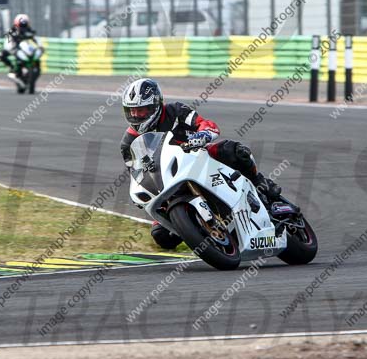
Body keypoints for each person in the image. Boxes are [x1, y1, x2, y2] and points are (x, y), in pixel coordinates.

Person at [120, 78, 282, 249]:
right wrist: (141, 194)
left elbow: (205, 124)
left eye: (141, 110)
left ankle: (261, 184)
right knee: (161, 235)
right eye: (132, 111)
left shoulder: (175, 111)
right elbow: (137, 173)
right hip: (166, 181)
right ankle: (198, 230)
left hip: (197, 157)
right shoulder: (128, 142)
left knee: (235, 151)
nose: (136, 116)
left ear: (155, 105)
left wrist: (202, 134)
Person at [0, 13, 37, 89]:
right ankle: (12, 67)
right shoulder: (12, 30)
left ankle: (31, 69)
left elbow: (34, 37)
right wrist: (11, 45)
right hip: (14, 48)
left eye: (25, 23)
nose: (23, 26)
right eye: (21, 24)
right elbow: (8, 41)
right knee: (1, 55)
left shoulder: (29, 29)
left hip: (25, 48)